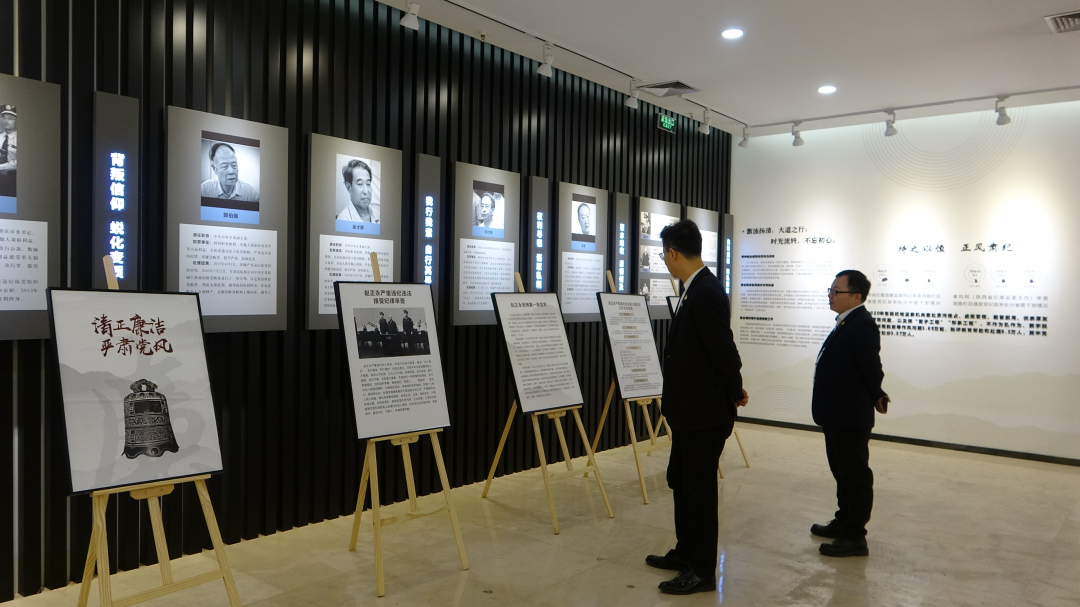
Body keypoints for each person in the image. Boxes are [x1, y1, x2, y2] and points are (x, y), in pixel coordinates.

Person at [644, 220, 748, 595]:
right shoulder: (696, 288)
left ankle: (702, 571)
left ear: (673, 253)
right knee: (681, 481)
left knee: (699, 492)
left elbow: (723, 350)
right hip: (690, 411)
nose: (665, 260)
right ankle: (686, 552)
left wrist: (735, 391)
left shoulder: (704, 291)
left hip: (704, 413)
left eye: (663, 254)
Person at [811, 270, 890, 557]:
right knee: (841, 471)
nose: (831, 295)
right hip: (836, 413)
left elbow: (871, 366)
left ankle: (855, 535)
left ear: (856, 296)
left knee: (854, 475)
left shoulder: (862, 324)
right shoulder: (847, 322)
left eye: (836, 291)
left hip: (848, 415)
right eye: (830, 290)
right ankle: (844, 520)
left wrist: (877, 392)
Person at [337, 159, 379, 223]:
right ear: (349, 187)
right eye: (360, 184)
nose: (366, 191)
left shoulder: (378, 215)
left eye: (368, 184)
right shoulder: (343, 219)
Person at [0, 105, 17, 198]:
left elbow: (19, 162)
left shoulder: (21, 138)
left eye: (10, 118)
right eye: (4, 118)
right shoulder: (0, 137)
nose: (6, 121)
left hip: (13, 178)